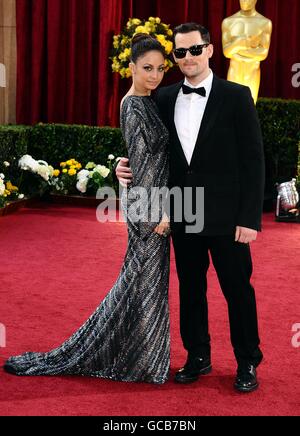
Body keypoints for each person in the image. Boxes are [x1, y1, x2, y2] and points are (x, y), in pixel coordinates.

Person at [3, 34, 172, 384]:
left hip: (152, 207)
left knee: (141, 285)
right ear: (131, 68)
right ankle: (137, 359)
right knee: (143, 284)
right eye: (147, 68)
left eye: (159, 68)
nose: (154, 75)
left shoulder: (149, 101)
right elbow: (142, 166)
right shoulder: (133, 105)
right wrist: (157, 216)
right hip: (149, 214)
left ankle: (142, 357)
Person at [116, 23, 265, 393]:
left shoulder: (237, 95)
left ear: (210, 50)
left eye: (194, 50)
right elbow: (146, 147)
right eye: (180, 53)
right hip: (183, 212)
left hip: (229, 217)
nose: (188, 58)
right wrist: (121, 167)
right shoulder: (162, 97)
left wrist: (249, 218)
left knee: (237, 289)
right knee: (191, 288)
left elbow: (254, 161)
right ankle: (198, 355)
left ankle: (248, 361)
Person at [222, 0, 272, 104]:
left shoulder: (264, 23)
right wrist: (241, 44)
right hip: (234, 71)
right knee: (231, 107)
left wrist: (238, 47)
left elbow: (263, 54)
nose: (244, 1)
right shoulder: (229, 22)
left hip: (252, 72)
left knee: (249, 107)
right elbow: (226, 52)